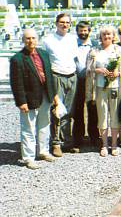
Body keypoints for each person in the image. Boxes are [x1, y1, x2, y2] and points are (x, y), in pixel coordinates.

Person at [10, 29, 58, 169]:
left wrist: (54, 94)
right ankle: (28, 157)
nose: (31, 41)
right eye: (28, 38)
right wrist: (21, 101)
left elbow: (49, 76)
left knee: (44, 124)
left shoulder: (44, 54)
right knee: (28, 128)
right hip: (29, 98)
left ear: (37, 39)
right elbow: (16, 83)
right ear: (23, 40)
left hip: (45, 95)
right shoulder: (17, 59)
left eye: (33, 38)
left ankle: (43, 151)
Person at [86, 26, 121, 157]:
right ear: (100, 36)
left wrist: (117, 73)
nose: (107, 36)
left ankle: (114, 144)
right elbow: (88, 68)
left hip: (115, 86)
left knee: (115, 115)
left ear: (113, 36)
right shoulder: (94, 51)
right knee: (103, 114)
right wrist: (97, 70)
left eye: (109, 34)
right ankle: (104, 144)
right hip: (100, 87)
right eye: (104, 34)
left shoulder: (119, 50)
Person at [42, 13, 78, 157]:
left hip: (72, 76)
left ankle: (67, 141)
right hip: (57, 75)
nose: (65, 25)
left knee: (69, 111)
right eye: (62, 22)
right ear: (56, 23)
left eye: (67, 22)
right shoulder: (48, 40)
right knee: (57, 110)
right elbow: (45, 61)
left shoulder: (72, 39)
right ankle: (56, 142)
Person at [72, 21, 99, 152]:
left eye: (85, 30)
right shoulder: (72, 45)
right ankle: (78, 138)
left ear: (89, 31)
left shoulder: (95, 45)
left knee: (93, 108)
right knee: (78, 109)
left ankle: (94, 137)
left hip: (91, 80)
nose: (83, 33)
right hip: (77, 80)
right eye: (81, 31)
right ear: (77, 31)